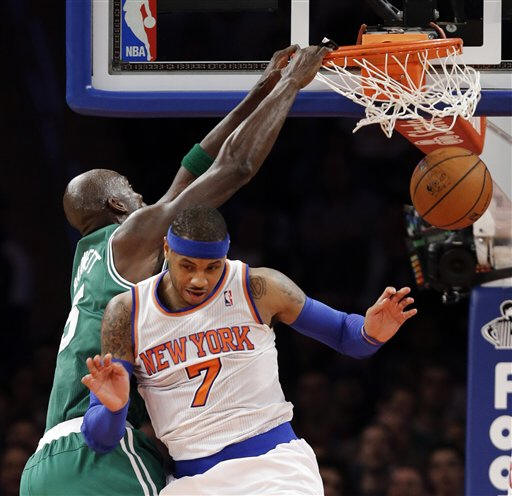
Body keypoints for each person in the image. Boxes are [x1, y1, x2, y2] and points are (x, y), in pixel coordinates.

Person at [20, 45, 329, 496]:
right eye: (133, 191)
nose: (145, 198)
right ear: (116, 203)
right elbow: (234, 168)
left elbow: (189, 172)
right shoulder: (129, 238)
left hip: (44, 464)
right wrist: (291, 85)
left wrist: (260, 90)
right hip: (99, 450)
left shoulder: (94, 259)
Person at [81, 206, 418, 495]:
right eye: (187, 266)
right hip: (192, 481)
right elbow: (100, 439)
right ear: (167, 249)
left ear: (226, 256)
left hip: (274, 468)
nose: (199, 280)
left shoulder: (257, 288)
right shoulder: (127, 311)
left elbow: (346, 334)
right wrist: (114, 409)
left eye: (212, 267)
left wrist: (370, 333)